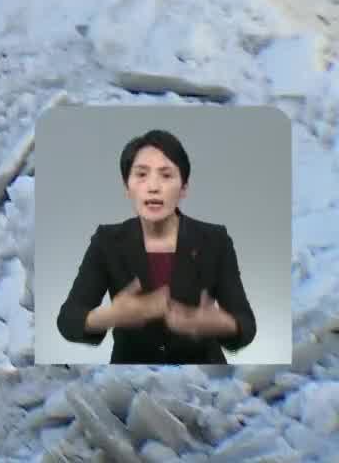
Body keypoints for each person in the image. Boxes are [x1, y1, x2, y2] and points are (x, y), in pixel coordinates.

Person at [55, 129, 258, 364]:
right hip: (130, 380)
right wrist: (112, 315)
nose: (153, 187)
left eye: (166, 175)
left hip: (202, 377)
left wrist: (218, 323)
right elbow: (68, 320)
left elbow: (246, 324)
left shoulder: (215, 240)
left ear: (183, 188)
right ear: (126, 187)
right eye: (141, 175)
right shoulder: (107, 241)